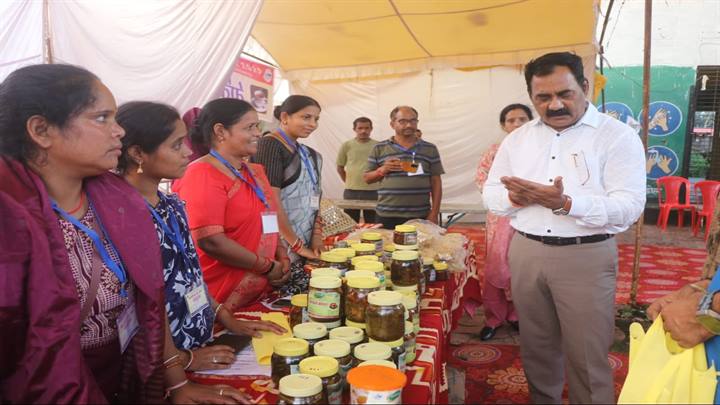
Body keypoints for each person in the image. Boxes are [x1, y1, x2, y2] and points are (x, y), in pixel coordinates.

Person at [0, 64, 193, 403]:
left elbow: (150, 297)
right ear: (41, 130)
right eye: (102, 118)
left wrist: (178, 383)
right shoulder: (9, 220)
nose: (119, 131)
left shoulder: (119, 202)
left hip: (120, 373)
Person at [482, 52, 646, 404]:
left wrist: (567, 203)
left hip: (586, 254)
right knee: (536, 347)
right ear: (531, 96)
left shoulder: (616, 137)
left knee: (587, 353)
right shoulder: (518, 139)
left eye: (564, 94)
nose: (555, 105)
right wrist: (515, 198)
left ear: (584, 87)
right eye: (543, 97)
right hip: (526, 251)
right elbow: (491, 193)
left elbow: (629, 206)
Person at [118, 101, 286, 377]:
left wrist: (224, 317)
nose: (188, 152)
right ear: (137, 153)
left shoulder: (171, 204)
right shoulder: (122, 214)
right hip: (159, 361)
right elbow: (141, 304)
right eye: (176, 145)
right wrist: (178, 365)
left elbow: (190, 274)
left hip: (194, 338)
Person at [174, 98, 292, 311]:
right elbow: (211, 241)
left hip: (262, 291)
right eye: (250, 127)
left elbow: (268, 218)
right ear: (221, 131)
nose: (258, 133)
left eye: (258, 126)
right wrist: (267, 267)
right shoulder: (201, 174)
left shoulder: (254, 172)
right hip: (221, 296)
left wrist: (282, 255)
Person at [251, 95, 324, 295]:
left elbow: (316, 198)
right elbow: (270, 201)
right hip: (279, 244)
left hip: (304, 243)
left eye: (316, 119)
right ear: (284, 117)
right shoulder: (269, 145)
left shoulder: (311, 154)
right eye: (306, 117)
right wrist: (296, 246)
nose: (313, 124)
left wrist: (316, 238)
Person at [475, 103, 533, 341]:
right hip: (500, 217)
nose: (517, 124)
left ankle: (518, 316)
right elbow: (482, 180)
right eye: (511, 120)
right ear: (503, 125)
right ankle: (494, 317)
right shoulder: (494, 151)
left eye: (522, 119)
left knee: (524, 268)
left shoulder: (540, 149)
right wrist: (508, 198)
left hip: (531, 216)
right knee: (496, 265)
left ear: (531, 122)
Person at [363, 106, 444, 229]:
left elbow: (436, 182)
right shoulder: (380, 148)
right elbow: (367, 178)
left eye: (413, 121)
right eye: (403, 121)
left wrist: (434, 213)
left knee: (421, 243)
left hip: (420, 215)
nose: (409, 125)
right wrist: (382, 170)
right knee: (386, 242)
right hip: (387, 215)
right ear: (392, 124)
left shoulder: (430, 149)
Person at [336, 117, 379, 223]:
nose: (363, 131)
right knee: (350, 222)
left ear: (371, 129)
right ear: (354, 129)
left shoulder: (378, 146)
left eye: (367, 128)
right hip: (351, 191)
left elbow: (383, 168)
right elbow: (340, 167)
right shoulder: (347, 145)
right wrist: (348, 181)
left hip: (373, 190)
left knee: (372, 223)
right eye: (360, 128)